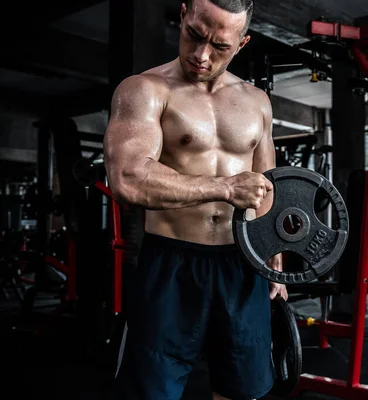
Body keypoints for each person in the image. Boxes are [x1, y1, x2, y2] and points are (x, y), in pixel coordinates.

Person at [103, 0, 288, 399]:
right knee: (152, 391)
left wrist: (273, 253)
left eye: (219, 46)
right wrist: (223, 187)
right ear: (184, 14)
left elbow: (266, 184)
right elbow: (129, 179)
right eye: (194, 35)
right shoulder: (145, 90)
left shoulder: (257, 102)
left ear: (242, 43)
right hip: (172, 264)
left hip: (243, 265)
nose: (202, 55)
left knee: (243, 390)